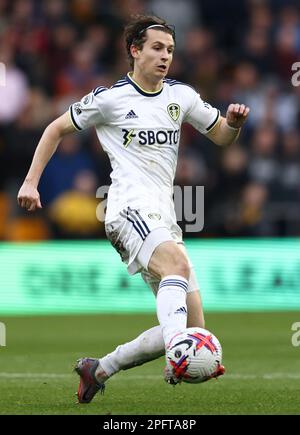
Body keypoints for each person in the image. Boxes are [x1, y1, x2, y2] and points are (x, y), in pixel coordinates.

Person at [17, 15, 250, 403]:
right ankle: (178, 351)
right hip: (126, 209)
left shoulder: (182, 97)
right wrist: (30, 181)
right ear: (135, 50)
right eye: (157, 48)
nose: (165, 57)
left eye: (171, 51)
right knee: (177, 279)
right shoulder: (110, 99)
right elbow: (54, 128)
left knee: (193, 325)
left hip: (164, 215)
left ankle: (101, 368)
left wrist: (235, 124)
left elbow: (222, 137)